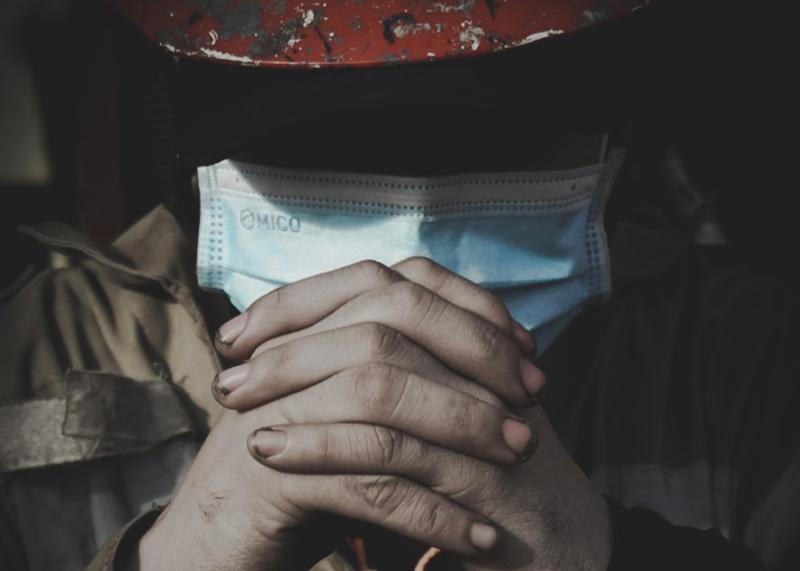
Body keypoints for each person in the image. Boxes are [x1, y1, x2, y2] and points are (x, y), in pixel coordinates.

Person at [0, 1, 797, 570]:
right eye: (326, 140)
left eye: (493, 133)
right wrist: (176, 556)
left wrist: (607, 553)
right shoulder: (31, 357)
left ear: (614, 141)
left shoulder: (748, 364)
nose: (413, 225)